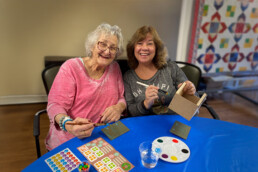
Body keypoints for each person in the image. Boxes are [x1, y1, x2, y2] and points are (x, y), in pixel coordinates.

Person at [46, 23, 126, 150]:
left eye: (113, 48)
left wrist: (118, 108)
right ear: (92, 46)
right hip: (71, 138)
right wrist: (67, 124)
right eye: (103, 44)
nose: (107, 51)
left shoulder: (115, 68)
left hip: (102, 135)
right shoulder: (71, 67)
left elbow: (121, 98)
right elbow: (55, 105)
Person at [123, 26, 196, 116]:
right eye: (140, 43)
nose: (144, 48)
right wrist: (145, 104)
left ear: (157, 48)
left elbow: (191, 110)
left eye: (149, 44)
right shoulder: (128, 77)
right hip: (145, 126)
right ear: (133, 48)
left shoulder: (170, 68)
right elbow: (130, 112)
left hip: (174, 123)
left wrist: (189, 94)